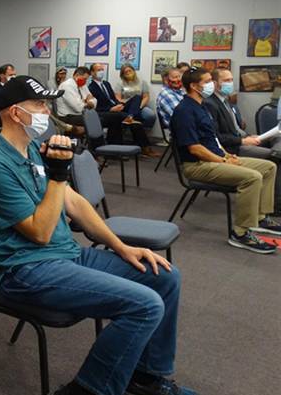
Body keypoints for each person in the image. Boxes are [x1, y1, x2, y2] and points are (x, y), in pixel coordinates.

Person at [0, 75, 200, 395]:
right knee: (144, 305)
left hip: (66, 256)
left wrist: (122, 247)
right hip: (25, 271)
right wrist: (59, 175)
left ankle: (145, 375)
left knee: (164, 277)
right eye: (40, 105)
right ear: (15, 113)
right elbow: (41, 233)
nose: (47, 111)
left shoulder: (30, 148)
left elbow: (73, 203)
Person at [171, 68, 278, 253]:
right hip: (197, 166)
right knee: (252, 177)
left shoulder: (201, 105)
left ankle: (260, 217)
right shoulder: (184, 111)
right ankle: (241, 233)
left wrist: (227, 156)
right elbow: (195, 148)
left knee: (268, 167)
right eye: (206, 81)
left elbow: (212, 140)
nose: (211, 84)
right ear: (194, 86)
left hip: (216, 159)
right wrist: (223, 162)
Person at [205, 69, 281, 227]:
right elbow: (217, 137)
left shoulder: (225, 101)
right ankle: (275, 206)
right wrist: (243, 141)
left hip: (240, 140)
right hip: (231, 148)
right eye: (226, 80)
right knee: (275, 156)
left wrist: (248, 137)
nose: (230, 83)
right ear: (215, 83)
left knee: (275, 150)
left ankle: (264, 212)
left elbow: (235, 129)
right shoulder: (210, 104)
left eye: (231, 79)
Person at [88, 63, 159, 157]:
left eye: (102, 69)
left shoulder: (106, 84)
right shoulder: (91, 87)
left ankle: (130, 117)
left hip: (117, 107)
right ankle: (144, 147)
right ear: (92, 73)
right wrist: (111, 108)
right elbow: (95, 106)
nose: (101, 72)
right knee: (134, 121)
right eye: (98, 70)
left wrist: (119, 104)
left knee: (137, 97)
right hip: (106, 111)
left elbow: (113, 99)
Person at [115, 64, 156, 129]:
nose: (128, 73)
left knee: (150, 115)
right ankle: (130, 118)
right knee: (137, 97)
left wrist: (139, 106)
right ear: (123, 75)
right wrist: (127, 103)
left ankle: (141, 129)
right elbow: (118, 99)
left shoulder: (142, 83)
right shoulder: (120, 84)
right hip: (126, 106)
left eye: (130, 71)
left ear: (134, 71)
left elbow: (146, 97)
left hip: (140, 106)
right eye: (126, 72)